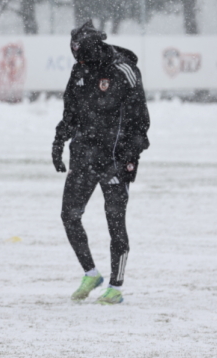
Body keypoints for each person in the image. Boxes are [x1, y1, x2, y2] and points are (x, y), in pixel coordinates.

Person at [52, 20, 150, 305]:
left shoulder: (124, 71)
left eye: (83, 55)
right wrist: (59, 142)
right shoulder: (79, 69)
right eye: (76, 56)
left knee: (115, 221)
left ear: (94, 48)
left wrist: (130, 157)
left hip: (115, 161)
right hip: (83, 156)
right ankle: (90, 273)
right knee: (69, 215)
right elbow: (70, 112)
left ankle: (116, 286)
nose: (80, 61)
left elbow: (140, 121)